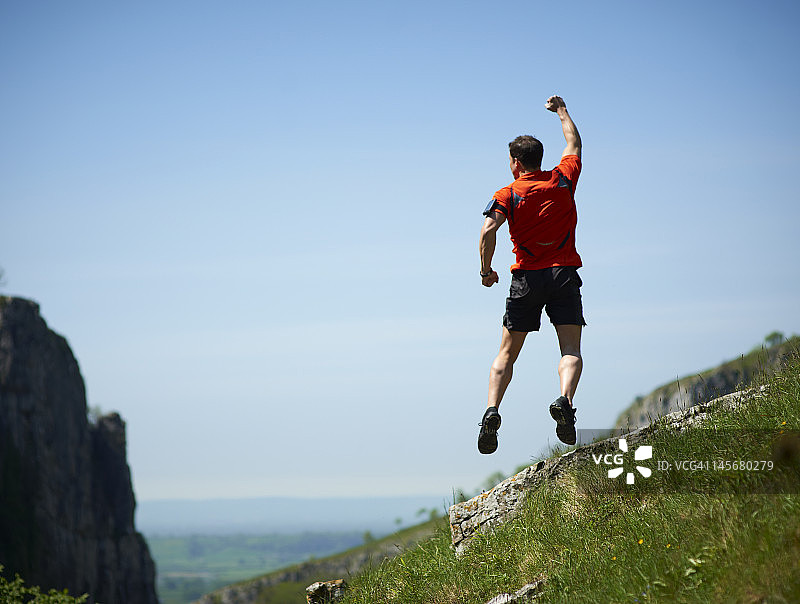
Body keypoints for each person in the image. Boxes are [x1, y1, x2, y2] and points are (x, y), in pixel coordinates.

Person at [477, 95, 585, 454]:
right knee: (570, 348)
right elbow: (574, 142)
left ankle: (492, 411)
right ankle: (565, 403)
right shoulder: (563, 178)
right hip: (563, 275)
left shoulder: (507, 193)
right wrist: (562, 111)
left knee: (506, 353)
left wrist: (486, 269)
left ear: (515, 162)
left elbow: (488, 231)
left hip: (526, 279)